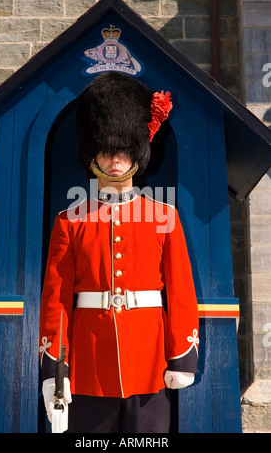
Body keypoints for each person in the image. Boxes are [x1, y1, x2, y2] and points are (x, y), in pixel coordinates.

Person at [39, 72, 199, 433]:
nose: (115, 159)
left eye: (125, 150)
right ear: (93, 153)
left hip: (150, 359)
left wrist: (182, 357)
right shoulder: (70, 221)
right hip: (89, 363)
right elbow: (56, 300)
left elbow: (180, 291)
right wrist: (54, 368)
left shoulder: (163, 216)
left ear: (137, 154)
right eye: (108, 150)